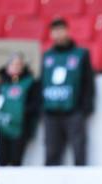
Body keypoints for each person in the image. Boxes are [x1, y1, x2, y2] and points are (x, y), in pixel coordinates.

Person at [41, 18, 95, 165]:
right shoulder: (47, 56)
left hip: (74, 112)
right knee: (51, 154)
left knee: (79, 152)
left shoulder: (81, 54)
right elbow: (42, 82)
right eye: (54, 31)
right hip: (51, 113)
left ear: (67, 31)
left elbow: (88, 82)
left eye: (60, 30)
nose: (58, 34)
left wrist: (85, 108)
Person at [0, 52, 41, 166]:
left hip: (20, 127)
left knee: (16, 160)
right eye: (13, 64)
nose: (16, 67)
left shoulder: (30, 83)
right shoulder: (3, 83)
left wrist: (19, 112)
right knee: (2, 160)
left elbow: (35, 104)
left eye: (19, 64)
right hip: (3, 126)